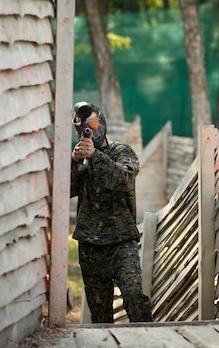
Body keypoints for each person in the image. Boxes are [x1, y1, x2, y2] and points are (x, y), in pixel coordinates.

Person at [70, 101, 152, 323]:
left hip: (121, 243)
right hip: (90, 247)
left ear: (102, 122)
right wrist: (73, 163)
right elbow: (64, 191)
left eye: (95, 123)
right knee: (100, 314)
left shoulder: (121, 151)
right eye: (86, 126)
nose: (92, 129)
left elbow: (123, 180)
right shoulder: (79, 158)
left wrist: (95, 156)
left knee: (135, 298)